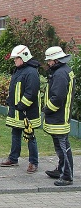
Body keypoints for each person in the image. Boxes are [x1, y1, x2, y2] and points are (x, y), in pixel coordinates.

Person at [0, 45, 41, 173]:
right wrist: (10, 101)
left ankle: (33, 162)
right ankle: (13, 158)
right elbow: (15, 89)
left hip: (27, 112)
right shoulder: (19, 70)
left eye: (16, 58)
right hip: (17, 111)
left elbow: (31, 93)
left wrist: (21, 106)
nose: (14, 60)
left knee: (30, 137)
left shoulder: (31, 72)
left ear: (23, 57)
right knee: (15, 134)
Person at [43, 46, 75, 186]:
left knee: (63, 147)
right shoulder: (64, 71)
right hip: (60, 116)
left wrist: (46, 109)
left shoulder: (60, 74)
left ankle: (66, 175)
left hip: (59, 118)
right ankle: (61, 169)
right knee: (61, 146)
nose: (48, 63)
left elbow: (57, 98)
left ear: (55, 60)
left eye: (49, 60)